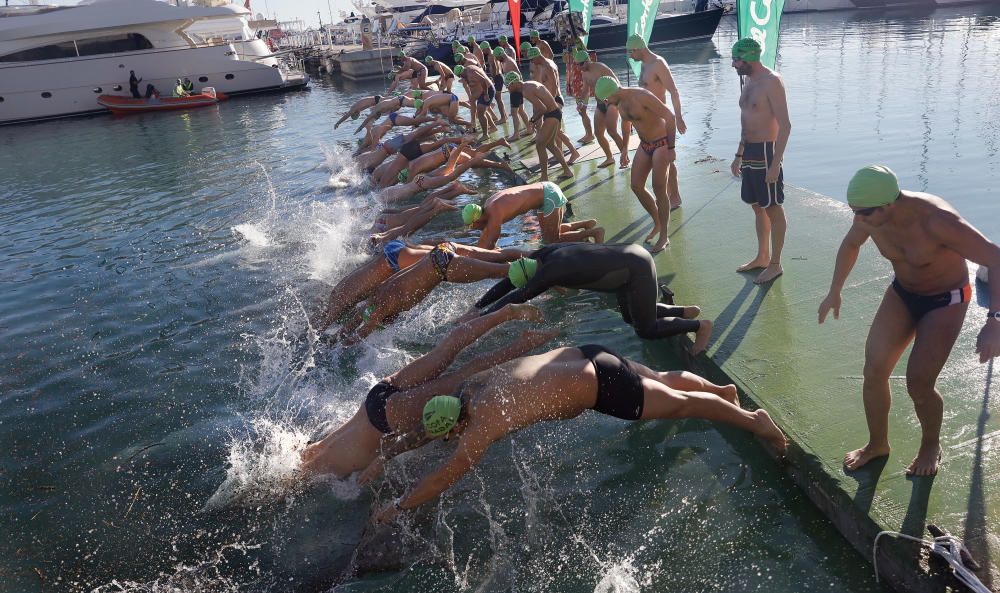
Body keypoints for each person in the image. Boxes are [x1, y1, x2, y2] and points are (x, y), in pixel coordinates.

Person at [368, 344, 786, 522]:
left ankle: (753, 420)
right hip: (590, 354)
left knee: (682, 406)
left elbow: (445, 475)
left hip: (603, 388)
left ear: (458, 425)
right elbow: (435, 425)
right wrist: (389, 453)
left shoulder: (484, 424)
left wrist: (399, 507)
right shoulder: (477, 387)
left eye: (451, 436)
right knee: (661, 379)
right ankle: (720, 388)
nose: (455, 441)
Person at [818, 165, 1000, 476]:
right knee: (874, 370)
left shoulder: (937, 221)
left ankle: (931, 444)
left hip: (946, 300)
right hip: (903, 293)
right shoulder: (869, 215)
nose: (857, 220)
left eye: (863, 213)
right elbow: (851, 244)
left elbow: (995, 258)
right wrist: (835, 290)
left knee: (919, 383)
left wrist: (994, 321)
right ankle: (877, 444)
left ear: (889, 204)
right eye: (854, 212)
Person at [301, 304, 555, 477]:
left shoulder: (313, 471)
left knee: (465, 375)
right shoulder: (313, 449)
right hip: (377, 397)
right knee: (445, 351)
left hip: (388, 419)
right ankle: (505, 314)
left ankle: (529, 343)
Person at [469, 242, 713, 353]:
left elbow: (518, 296)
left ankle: (700, 326)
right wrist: (478, 308)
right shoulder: (544, 254)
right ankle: (681, 312)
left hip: (635, 268)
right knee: (630, 316)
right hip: (626, 258)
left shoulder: (552, 271)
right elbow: (510, 283)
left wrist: (480, 322)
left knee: (645, 329)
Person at [337, 243, 519, 343]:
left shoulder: (381, 308)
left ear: (386, 318)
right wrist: (335, 338)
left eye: (387, 323)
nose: (393, 323)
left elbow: (358, 336)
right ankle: (533, 254)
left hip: (443, 266)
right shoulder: (374, 301)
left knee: (502, 271)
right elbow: (358, 319)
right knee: (497, 257)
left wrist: (336, 349)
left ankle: (539, 270)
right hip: (441, 250)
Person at [729, 37, 791, 285]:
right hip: (750, 153)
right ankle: (762, 257)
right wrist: (738, 154)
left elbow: (785, 125)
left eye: (737, 59)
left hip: (767, 152)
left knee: (773, 208)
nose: (734, 64)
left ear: (749, 58)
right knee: (758, 206)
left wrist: (776, 163)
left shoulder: (772, 82)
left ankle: (775, 264)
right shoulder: (748, 81)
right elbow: (747, 121)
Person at [595, 77, 677, 253]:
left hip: (661, 143)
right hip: (644, 144)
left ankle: (664, 236)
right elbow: (626, 123)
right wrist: (624, 148)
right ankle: (657, 222)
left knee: (659, 189)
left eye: (606, 99)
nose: (606, 102)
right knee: (636, 186)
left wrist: (671, 148)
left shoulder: (641, 96)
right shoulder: (619, 104)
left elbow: (669, 116)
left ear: (613, 92)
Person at [627, 34, 686, 205]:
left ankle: (675, 196)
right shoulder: (644, 65)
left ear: (639, 48)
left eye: (631, 52)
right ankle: (672, 195)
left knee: (667, 157)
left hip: (661, 121)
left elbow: (673, 91)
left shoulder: (658, 64)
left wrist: (679, 117)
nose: (630, 56)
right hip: (648, 124)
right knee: (661, 160)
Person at [463, 181, 604, 248]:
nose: (474, 228)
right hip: (545, 190)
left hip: (549, 196)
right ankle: (587, 224)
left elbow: (491, 244)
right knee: (549, 232)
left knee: (551, 240)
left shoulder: (494, 213)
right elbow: (486, 234)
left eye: (473, 226)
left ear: (477, 220)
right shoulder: (488, 205)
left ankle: (594, 233)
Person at [505, 73, 574, 182]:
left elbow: (542, 108)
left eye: (508, 86)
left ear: (514, 83)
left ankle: (544, 176)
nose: (507, 89)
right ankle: (567, 171)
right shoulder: (528, 84)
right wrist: (535, 119)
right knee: (551, 145)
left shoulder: (526, 91)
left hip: (552, 114)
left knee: (540, 145)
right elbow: (542, 105)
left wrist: (532, 121)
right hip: (554, 112)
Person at [577, 51, 628, 168]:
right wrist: (581, 103)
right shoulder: (584, 73)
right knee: (598, 133)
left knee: (612, 132)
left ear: (587, 60)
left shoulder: (601, 68)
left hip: (612, 104)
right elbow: (585, 90)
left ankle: (625, 158)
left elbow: (617, 84)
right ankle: (610, 158)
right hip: (600, 104)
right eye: (577, 65)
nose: (579, 67)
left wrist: (618, 101)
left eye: (580, 64)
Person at [566, 48, 595, 145]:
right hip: (577, 84)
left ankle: (590, 134)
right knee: (581, 112)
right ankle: (588, 134)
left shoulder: (577, 48)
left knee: (583, 111)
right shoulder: (569, 50)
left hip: (581, 85)